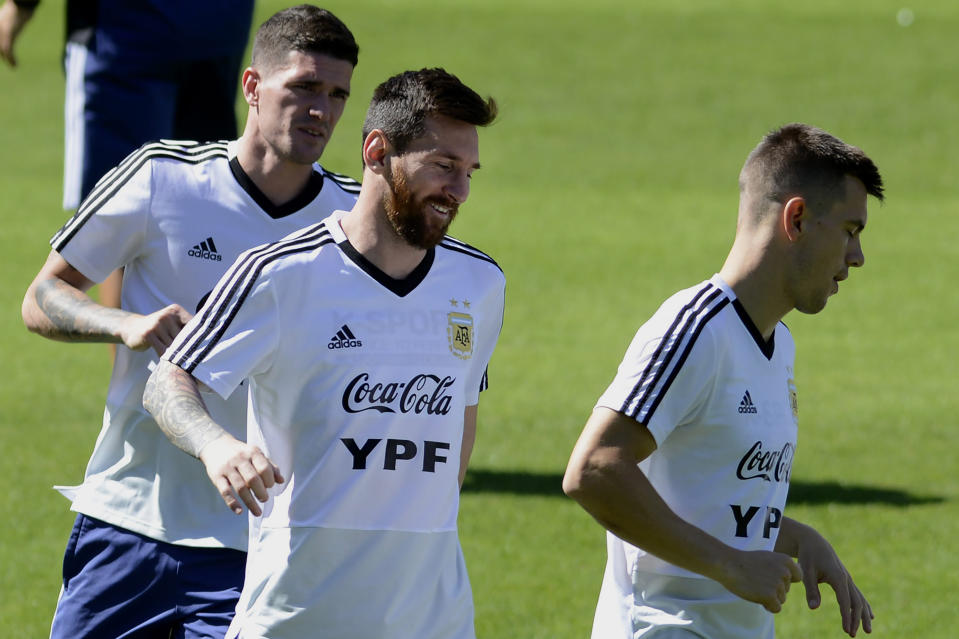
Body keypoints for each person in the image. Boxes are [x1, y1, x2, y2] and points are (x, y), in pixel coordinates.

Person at [20, 6, 360, 638]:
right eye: (305, 88)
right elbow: (42, 297)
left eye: (337, 94)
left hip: (260, 543)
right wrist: (119, 322)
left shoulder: (352, 222)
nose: (323, 111)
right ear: (253, 87)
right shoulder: (160, 176)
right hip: (127, 520)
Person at [143, 67, 503, 639]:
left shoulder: (480, 283)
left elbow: (461, 417)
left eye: (467, 172)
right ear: (378, 151)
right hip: (295, 617)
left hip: (433, 620)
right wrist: (216, 446)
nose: (458, 191)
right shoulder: (280, 273)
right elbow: (168, 379)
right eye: (442, 166)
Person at [562, 123, 884, 639]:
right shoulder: (696, 329)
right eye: (850, 229)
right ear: (796, 218)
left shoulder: (778, 344)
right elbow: (594, 469)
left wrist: (797, 537)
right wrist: (733, 566)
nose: (857, 256)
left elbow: (711, 500)